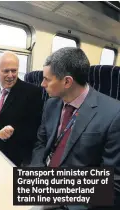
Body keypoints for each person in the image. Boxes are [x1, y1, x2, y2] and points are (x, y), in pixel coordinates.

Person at [30, 47, 120, 209]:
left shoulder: (114, 114)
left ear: (67, 82)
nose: (42, 84)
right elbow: (40, 143)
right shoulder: (51, 104)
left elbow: (113, 182)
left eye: (47, 79)